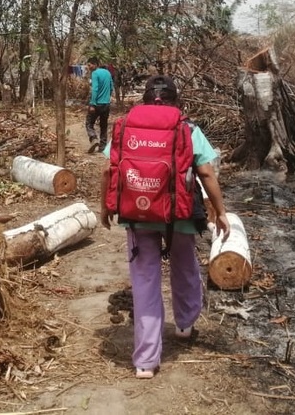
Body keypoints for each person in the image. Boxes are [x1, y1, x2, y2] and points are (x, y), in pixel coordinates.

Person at [99, 75, 230, 379]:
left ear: (144, 99)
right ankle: (184, 325)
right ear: (176, 99)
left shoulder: (127, 125)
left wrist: (104, 207)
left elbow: (108, 168)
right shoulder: (187, 128)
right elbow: (207, 173)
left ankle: (145, 361)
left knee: (144, 281)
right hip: (179, 216)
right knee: (184, 267)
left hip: (136, 214)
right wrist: (220, 211)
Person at [85, 57, 113, 153]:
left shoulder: (95, 73)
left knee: (89, 123)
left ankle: (93, 139)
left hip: (97, 104)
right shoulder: (108, 73)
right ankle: (103, 147)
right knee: (104, 125)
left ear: (95, 64)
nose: (88, 67)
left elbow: (95, 89)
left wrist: (92, 103)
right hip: (106, 104)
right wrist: (107, 97)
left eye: (89, 65)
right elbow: (111, 87)